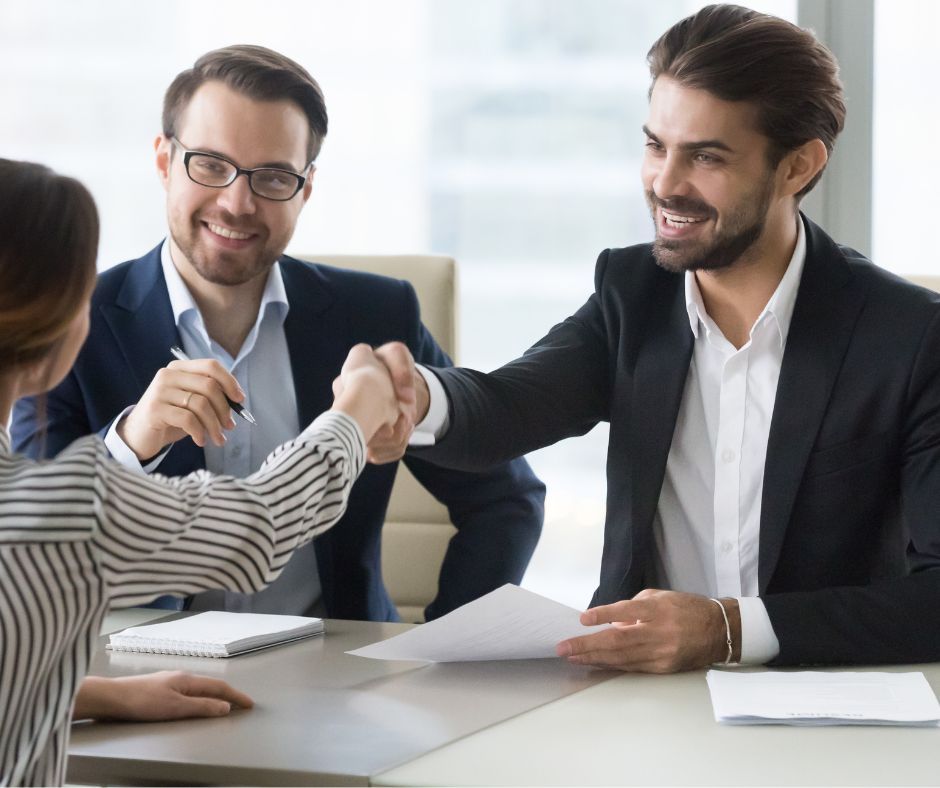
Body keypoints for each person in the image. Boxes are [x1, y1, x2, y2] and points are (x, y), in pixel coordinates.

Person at [365, 3, 940, 671]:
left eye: (706, 157)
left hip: (819, 703)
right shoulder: (632, 293)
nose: (664, 184)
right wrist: (411, 393)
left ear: (798, 167)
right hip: (636, 698)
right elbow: (506, 407)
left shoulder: (909, 337)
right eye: (655, 145)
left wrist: (728, 631)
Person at [11, 47, 544, 718]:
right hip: (134, 680)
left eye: (271, 177)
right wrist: (132, 439)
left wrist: (439, 659)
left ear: (307, 187)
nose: (237, 202)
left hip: (346, 690)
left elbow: (505, 496)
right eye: (210, 165)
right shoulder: (67, 319)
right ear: (162, 159)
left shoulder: (378, 316)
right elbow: (36, 533)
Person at [0, 158, 399, 785]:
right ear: (56, 329)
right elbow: (260, 525)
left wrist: (93, 695)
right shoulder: (58, 504)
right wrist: (355, 411)